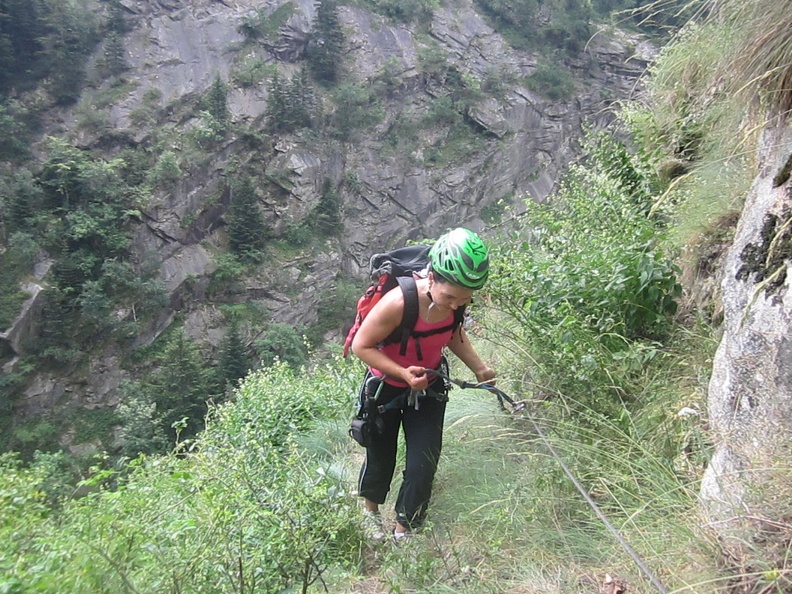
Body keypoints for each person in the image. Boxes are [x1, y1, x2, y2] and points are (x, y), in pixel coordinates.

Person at [351, 227, 496, 540]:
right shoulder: (398, 302)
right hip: (384, 388)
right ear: (432, 277)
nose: (455, 305)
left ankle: (405, 532)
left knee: (423, 463)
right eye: (449, 297)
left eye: (464, 299)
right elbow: (361, 346)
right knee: (381, 456)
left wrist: (479, 367)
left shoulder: (454, 304)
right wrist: (402, 374)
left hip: (429, 386)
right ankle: (370, 513)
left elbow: (453, 334)